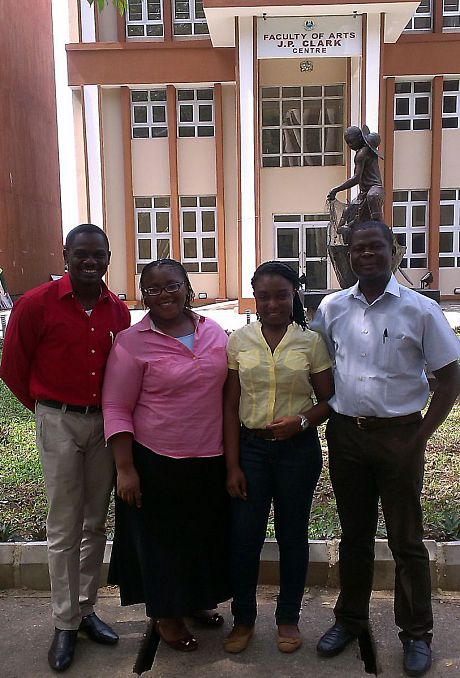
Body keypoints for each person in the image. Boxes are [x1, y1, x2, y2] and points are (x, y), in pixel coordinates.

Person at [311, 221, 460, 677]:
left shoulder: (420, 310)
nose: (368, 255)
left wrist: (420, 436)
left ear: (393, 251)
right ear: (349, 256)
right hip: (346, 435)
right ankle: (350, 621)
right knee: (354, 534)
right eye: (359, 249)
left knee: (406, 540)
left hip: (400, 436)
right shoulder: (332, 307)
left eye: (377, 246)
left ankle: (416, 633)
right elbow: (318, 368)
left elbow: (451, 376)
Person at [0, 224, 131, 672]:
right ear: (66, 255)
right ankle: (63, 622)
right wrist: (46, 411)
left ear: (108, 257)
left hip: (103, 424)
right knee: (63, 525)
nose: (90, 262)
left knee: (95, 522)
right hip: (57, 419)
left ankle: (86, 608)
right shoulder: (35, 304)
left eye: (99, 255)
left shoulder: (117, 309)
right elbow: (13, 367)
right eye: (81, 254)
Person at [102, 258, 231, 654]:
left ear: (187, 287)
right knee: (161, 542)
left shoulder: (215, 333)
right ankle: (166, 615)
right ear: (144, 296)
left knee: (201, 536)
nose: (164, 295)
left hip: (209, 456)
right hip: (154, 458)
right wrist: (125, 469)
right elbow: (116, 406)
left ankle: (193, 602)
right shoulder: (131, 342)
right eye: (153, 289)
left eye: (172, 285)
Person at [223, 261, 334, 654]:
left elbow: (327, 401)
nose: (272, 303)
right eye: (264, 295)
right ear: (255, 296)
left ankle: (288, 618)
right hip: (251, 450)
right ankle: (243, 620)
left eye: (282, 295)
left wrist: (302, 422)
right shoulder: (239, 341)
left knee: (292, 537)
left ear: (294, 297)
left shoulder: (311, 342)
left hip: (297, 453)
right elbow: (230, 405)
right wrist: (233, 465)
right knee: (244, 538)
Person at [327, 125, 385, 242]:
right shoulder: (362, 152)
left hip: (374, 189)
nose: (350, 145)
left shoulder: (362, 153)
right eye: (347, 143)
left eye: (351, 142)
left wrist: (336, 190)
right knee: (349, 210)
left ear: (360, 138)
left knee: (372, 197)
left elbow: (356, 178)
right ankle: (346, 230)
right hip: (364, 193)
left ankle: (383, 235)